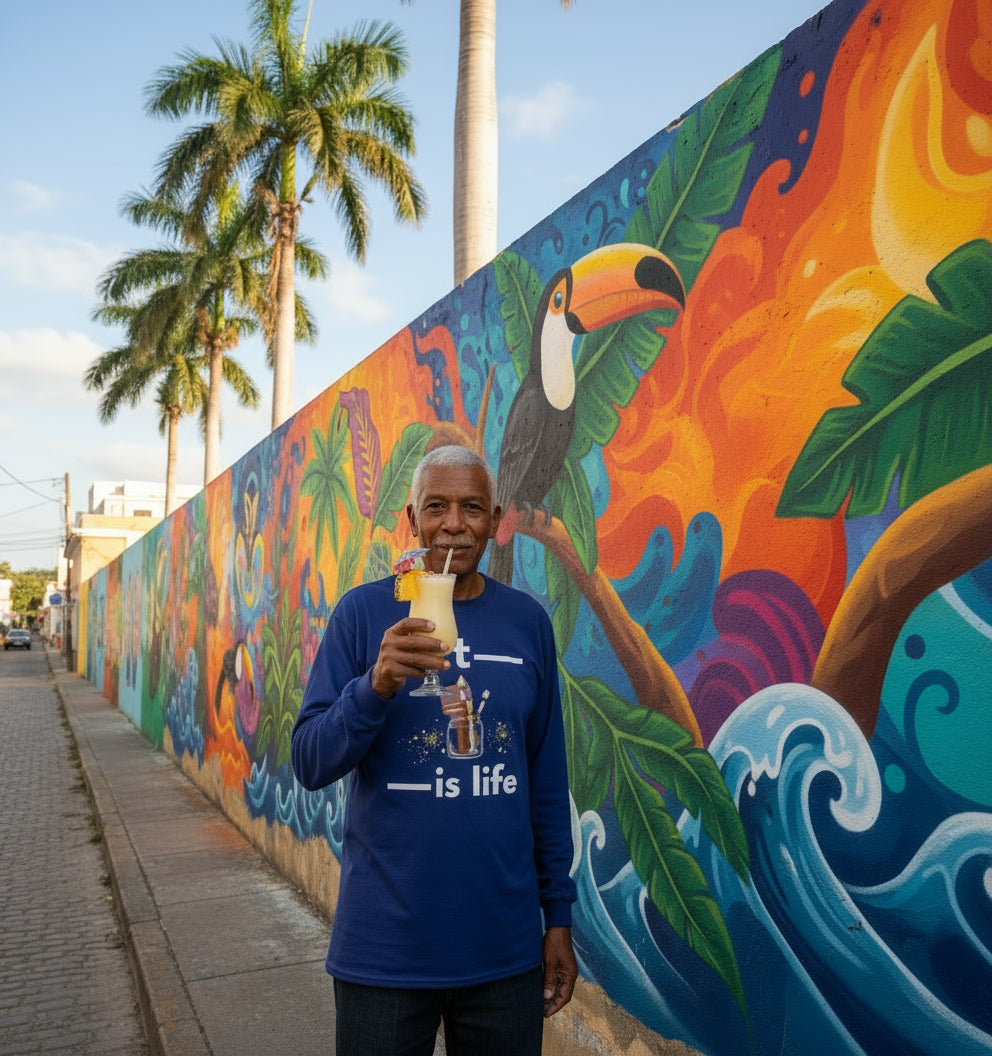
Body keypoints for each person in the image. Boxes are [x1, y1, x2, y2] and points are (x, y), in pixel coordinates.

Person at [291, 444, 577, 1056]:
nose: (454, 523)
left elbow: (546, 783)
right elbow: (310, 760)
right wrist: (373, 686)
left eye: (472, 507)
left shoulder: (527, 623)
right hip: (384, 952)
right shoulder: (363, 615)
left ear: (496, 517)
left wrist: (558, 917)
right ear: (411, 519)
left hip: (504, 951)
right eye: (436, 507)